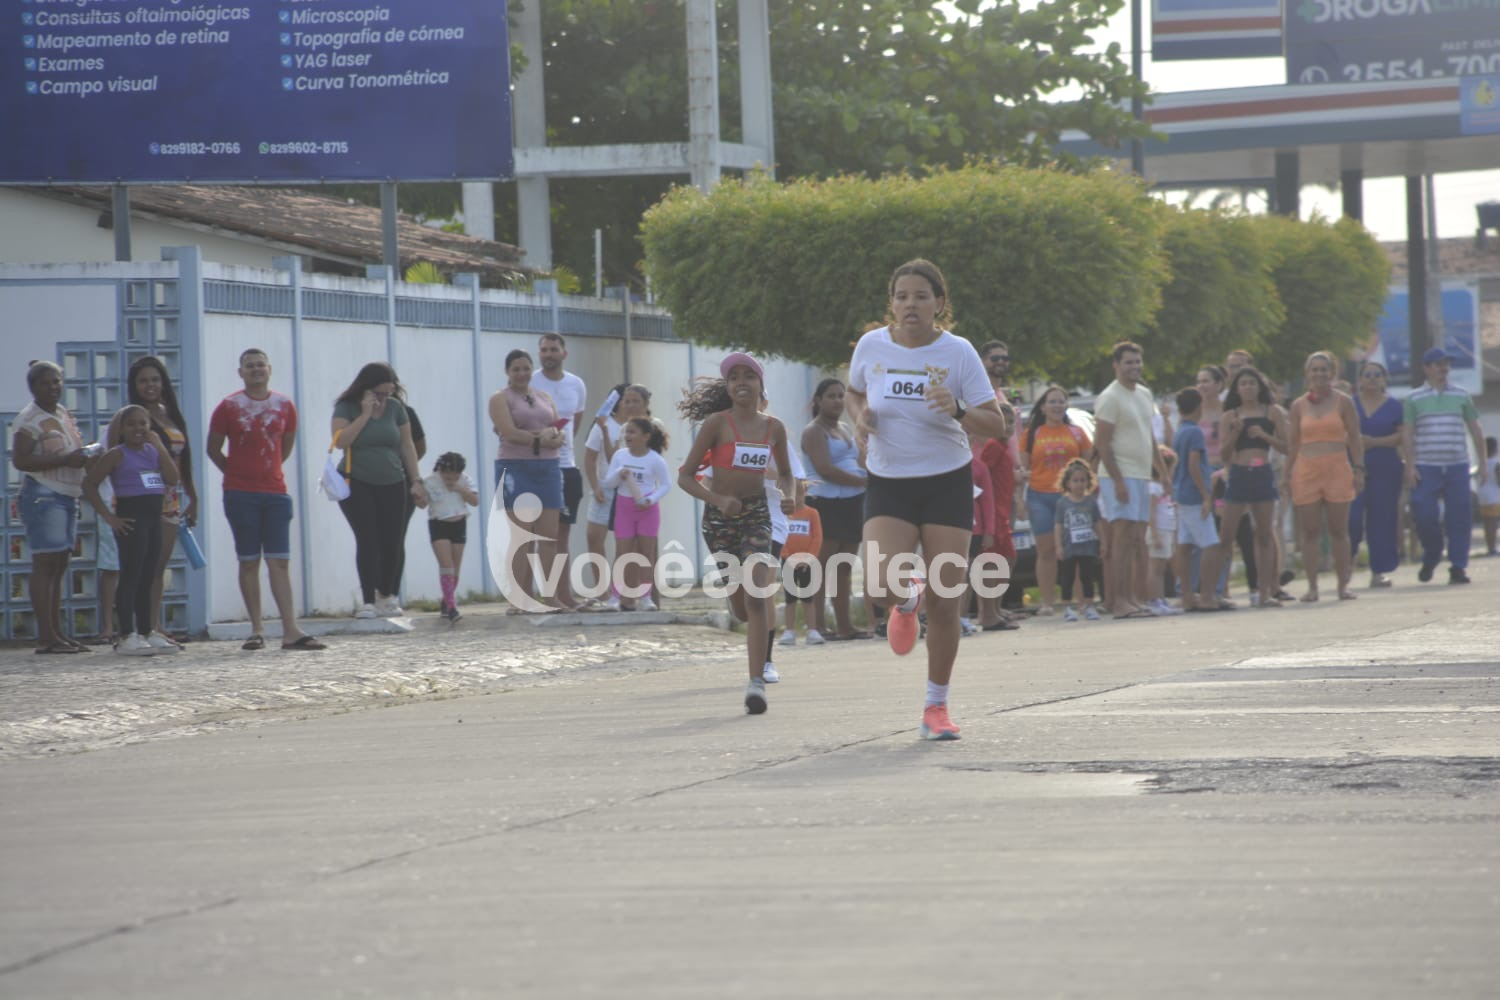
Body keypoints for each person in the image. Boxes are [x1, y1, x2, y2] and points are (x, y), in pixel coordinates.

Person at [845, 259, 1004, 741]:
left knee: (946, 603)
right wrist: (860, 417)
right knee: (878, 586)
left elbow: (995, 423)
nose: (910, 305)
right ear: (891, 304)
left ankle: (936, 706)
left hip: (946, 481)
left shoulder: (958, 352)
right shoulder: (871, 345)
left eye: (920, 296)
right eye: (901, 297)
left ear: (939, 303)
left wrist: (957, 408)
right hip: (889, 480)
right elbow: (854, 392)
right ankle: (906, 594)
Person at [676, 353, 795, 715]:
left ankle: (756, 682)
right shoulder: (717, 424)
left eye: (749, 376)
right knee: (743, 610)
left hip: (756, 515)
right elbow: (685, 477)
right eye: (734, 377)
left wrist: (788, 496)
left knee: (758, 596)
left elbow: (786, 473)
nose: (742, 382)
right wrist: (717, 499)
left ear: (761, 385)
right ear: (728, 387)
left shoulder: (774, 428)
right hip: (719, 521)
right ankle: (735, 598)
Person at [206, 348, 326, 651]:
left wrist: (268, 470)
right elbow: (213, 448)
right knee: (249, 561)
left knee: (279, 561)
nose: (256, 369)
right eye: (250, 366)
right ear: (241, 372)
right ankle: (257, 629)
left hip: (275, 492)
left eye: (261, 365)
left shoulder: (285, 405)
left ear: (269, 369)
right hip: (239, 494)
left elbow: (286, 446)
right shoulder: (228, 406)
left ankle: (290, 630)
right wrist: (235, 472)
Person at [82, 405, 181, 655]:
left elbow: (172, 478)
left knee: (149, 574)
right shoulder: (116, 454)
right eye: (132, 424)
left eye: (143, 423)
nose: (138, 428)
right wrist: (109, 518)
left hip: (153, 519)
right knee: (131, 575)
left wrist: (159, 447)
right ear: (122, 430)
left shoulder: (153, 452)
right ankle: (126, 634)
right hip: (131, 520)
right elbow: (90, 484)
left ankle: (147, 630)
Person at [331, 362, 427, 619]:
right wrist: (364, 414)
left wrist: (416, 480)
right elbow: (340, 441)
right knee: (368, 539)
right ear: (365, 389)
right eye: (378, 393)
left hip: (393, 481)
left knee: (392, 540)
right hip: (356, 481)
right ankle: (367, 600)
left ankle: (387, 595)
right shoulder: (346, 407)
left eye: (388, 393)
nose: (383, 398)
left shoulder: (396, 408)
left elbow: (407, 445)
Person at [117, 356, 199, 646]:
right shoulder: (131, 418)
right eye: (143, 381)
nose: (150, 385)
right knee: (143, 567)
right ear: (134, 385)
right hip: (143, 498)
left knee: (159, 565)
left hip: (171, 497)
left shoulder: (170, 413)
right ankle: (142, 627)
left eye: (155, 379)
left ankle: (153, 624)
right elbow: (117, 456)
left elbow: (183, 460)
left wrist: (193, 497)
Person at [12, 361, 91, 654]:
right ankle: (45, 637)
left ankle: (57, 632)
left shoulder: (61, 413)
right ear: (33, 387)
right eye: (45, 383)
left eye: (56, 381)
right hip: (44, 495)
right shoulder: (29, 419)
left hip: (67, 495)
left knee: (59, 564)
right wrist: (64, 460)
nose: (53, 387)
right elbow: (21, 460)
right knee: (45, 564)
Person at [489, 349, 572, 611]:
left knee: (549, 536)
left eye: (526, 368)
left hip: (548, 468)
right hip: (516, 467)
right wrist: (539, 439)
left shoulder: (543, 396)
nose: (522, 374)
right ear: (507, 371)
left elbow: (558, 427)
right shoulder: (500, 398)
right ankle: (519, 597)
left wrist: (556, 437)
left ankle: (551, 596)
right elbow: (509, 432)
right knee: (521, 536)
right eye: (516, 369)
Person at [1197, 366, 1285, 611]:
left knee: (1264, 534)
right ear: (1236, 389)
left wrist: (1265, 436)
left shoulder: (1272, 412)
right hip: (1237, 473)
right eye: (1243, 384)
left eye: (1252, 383)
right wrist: (1236, 433)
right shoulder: (1230, 416)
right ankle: (1209, 594)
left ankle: (1265, 592)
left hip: (1262, 473)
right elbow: (1224, 453)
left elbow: (1287, 446)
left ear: (1259, 386)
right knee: (1226, 536)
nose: (1248, 388)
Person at [1403, 347, 1488, 585]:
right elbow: (1408, 434)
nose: (1444, 369)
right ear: (1426, 368)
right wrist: (1410, 465)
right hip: (1426, 466)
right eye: (1438, 364)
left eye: (1446, 364)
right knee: (1423, 512)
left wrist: (1482, 462)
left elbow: (1475, 429)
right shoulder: (1414, 398)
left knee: (1459, 516)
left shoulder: (1461, 395)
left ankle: (1458, 566)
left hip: (1456, 465)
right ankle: (1432, 552)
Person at [1094, 342, 1166, 620]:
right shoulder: (1110, 397)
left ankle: (1133, 598)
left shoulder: (1145, 394)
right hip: (1119, 475)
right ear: (1116, 365)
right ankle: (1119, 601)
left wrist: (1163, 472)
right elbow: (1102, 443)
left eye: (1137, 362)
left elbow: (1149, 437)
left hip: (1141, 475)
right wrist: (1118, 481)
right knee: (1121, 540)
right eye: (1128, 362)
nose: (1135, 367)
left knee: (1137, 539)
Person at [1285, 351, 1364, 602]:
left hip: (1337, 468)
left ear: (1332, 373)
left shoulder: (1344, 402)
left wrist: (1359, 468)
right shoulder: (1298, 405)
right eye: (1314, 369)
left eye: (1323, 369)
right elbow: (1293, 443)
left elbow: (1355, 437)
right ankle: (1312, 587)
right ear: (1307, 373)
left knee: (1338, 530)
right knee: (1309, 531)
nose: (1319, 374)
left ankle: (1342, 586)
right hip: (1307, 470)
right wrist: (1286, 474)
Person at [800, 378, 869, 641]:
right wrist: (863, 482)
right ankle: (817, 626)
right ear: (818, 400)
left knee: (843, 567)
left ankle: (844, 626)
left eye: (841, 396)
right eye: (831, 396)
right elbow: (825, 469)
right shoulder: (813, 432)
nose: (838, 401)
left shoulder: (844, 428)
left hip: (852, 503)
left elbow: (859, 460)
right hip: (824, 503)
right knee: (820, 566)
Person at [1019, 384, 1093, 616]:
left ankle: (1082, 601)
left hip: (1071, 499)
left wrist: (1086, 492)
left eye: (1061, 401)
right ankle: (1047, 603)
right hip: (1039, 496)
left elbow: (1088, 464)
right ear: (1043, 407)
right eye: (1052, 401)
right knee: (1046, 550)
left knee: (1076, 551)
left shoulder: (1077, 433)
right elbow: (1024, 467)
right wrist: (1019, 499)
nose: (1057, 405)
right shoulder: (1032, 434)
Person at [583, 384, 653, 609]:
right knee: (595, 536)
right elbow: (590, 458)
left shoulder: (644, 428)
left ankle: (631, 594)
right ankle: (602, 591)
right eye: (625, 400)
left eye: (633, 400)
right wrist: (595, 486)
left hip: (633, 491)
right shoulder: (605, 425)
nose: (628, 404)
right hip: (606, 487)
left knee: (631, 543)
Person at [537, 333, 588, 609]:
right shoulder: (531, 382)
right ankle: (538, 595)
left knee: (562, 535)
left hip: (567, 467)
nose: (548, 354)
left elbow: (574, 424)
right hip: (539, 467)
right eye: (544, 350)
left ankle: (564, 594)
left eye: (553, 349)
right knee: (539, 535)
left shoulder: (576, 384)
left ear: (563, 353)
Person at [601, 417, 672, 612]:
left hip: (647, 510)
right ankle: (615, 598)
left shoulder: (655, 459)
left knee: (646, 553)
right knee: (622, 553)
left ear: (646, 437)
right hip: (624, 508)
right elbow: (609, 483)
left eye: (632, 432)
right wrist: (619, 473)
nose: (627, 436)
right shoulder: (620, 456)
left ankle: (645, 597)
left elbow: (666, 484)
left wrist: (651, 499)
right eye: (627, 432)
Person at [1349, 360, 1405, 588]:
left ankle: (1379, 570)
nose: (1372, 379)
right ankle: (1346, 564)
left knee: (1382, 518)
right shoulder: (1349, 404)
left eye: (1377, 375)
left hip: (1385, 466)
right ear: (1359, 380)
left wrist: (1374, 442)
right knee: (1351, 518)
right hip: (1353, 467)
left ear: (1384, 379)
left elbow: (1401, 436)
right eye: (1367, 374)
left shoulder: (1394, 405)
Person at [1171, 388, 1219, 612]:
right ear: (1199, 407)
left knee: (1185, 544)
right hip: (1194, 495)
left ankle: (1187, 595)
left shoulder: (1180, 431)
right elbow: (1193, 464)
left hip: (1181, 492)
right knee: (1210, 544)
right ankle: (1207, 594)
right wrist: (1206, 496)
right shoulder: (1195, 432)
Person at [417, 452, 479, 622]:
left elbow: (475, 501)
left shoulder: (465, 480)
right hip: (439, 524)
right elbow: (422, 505)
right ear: (440, 470)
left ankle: (446, 600)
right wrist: (417, 495)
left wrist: (459, 488)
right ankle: (452, 607)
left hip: (459, 523)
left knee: (455, 568)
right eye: (447, 476)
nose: (451, 479)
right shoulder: (429, 481)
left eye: (455, 476)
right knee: (446, 565)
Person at [976, 401, 1021, 631]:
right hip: (993, 513)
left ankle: (996, 607)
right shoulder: (993, 447)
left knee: (1008, 558)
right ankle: (988, 613)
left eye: (1012, 422)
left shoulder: (1003, 448)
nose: (1009, 427)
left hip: (1002, 511)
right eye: (1004, 422)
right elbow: (982, 477)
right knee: (993, 562)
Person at [1054, 458, 1104, 622]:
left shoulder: (1091, 502)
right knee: (1067, 577)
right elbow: (1058, 525)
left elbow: (1097, 523)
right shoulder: (1063, 503)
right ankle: (1067, 607)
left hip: (1087, 547)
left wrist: (1102, 542)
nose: (1079, 484)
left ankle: (1089, 605)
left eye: (1082, 480)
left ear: (1088, 482)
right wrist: (1058, 546)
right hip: (1069, 547)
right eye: (1075, 481)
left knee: (1087, 577)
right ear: (1068, 483)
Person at [777, 479, 824, 650]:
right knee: (790, 599)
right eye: (792, 494)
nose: (796, 498)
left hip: (807, 563)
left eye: (800, 494)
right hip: (789, 562)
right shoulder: (783, 514)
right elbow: (780, 536)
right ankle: (789, 631)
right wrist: (788, 557)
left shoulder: (812, 513)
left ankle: (812, 630)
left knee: (808, 598)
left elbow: (817, 537)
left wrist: (808, 558)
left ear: (805, 494)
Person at [1146, 446, 1181, 616]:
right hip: (1158, 531)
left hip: (1165, 530)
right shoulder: (1153, 488)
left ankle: (1160, 598)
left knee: (1161, 568)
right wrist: (1154, 534)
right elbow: (1151, 512)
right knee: (1156, 568)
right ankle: (1154, 599)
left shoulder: (1162, 489)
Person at [1477, 436, 1499, 557]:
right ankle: (1492, 548)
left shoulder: (1481, 463)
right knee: (1493, 524)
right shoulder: (1496, 463)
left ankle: (1489, 547)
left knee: (1487, 523)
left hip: (1483, 496)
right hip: (1494, 497)